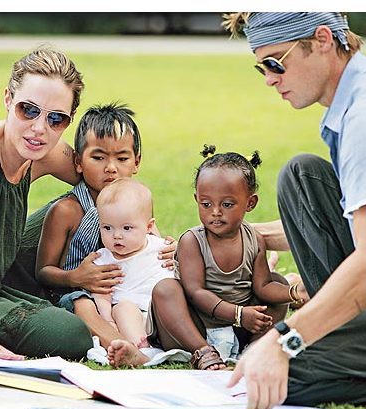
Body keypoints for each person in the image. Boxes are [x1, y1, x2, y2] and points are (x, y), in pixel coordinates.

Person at [220, 12, 366, 409]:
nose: (270, 79)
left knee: (274, 374)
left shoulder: (362, 118)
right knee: (302, 177)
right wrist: (239, 236)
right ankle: (341, 334)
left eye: (275, 63)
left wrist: (285, 341)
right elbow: (352, 222)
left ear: (323, 40)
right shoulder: (353, 99)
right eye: (262, 68)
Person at [0, 47, 93, 359]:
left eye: (56, 118)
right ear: (8, 99)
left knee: (77, 207)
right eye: (28, 110)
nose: (39, 128)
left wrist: (149, 238)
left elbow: (106, 184)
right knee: (71, 334)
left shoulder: (43, 151)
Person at [35, 104, 175, 365]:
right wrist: (76, 277)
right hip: (78, 292)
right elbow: (43, 272)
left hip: (128, 292)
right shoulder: (67, 210)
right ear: (78, 162)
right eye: (98, 158)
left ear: (136, 162)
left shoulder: (136, 202)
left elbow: (149, 242)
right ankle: (123, 347)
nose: (111, 168)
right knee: (83, 303)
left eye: (122, 159)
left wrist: (168, 251)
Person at [174, 145, 308, 361]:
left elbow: (263, 287)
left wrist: (295, 292)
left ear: (250, 203)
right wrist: (237, 314)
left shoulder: (255, 239)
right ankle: (203, 352)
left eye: (227, 204)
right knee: (166, 290)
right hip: (198, 326)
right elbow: (195, 292)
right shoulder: (192, 241)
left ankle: (254, 349)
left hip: (242, 324)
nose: (215, 212)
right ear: (196, 199)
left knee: (278, 281)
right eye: (206, 204)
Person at [93, 178, 175, 350]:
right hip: (132, 316)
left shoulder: (162, 248)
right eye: (107, 228)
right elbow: (102, 294)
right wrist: (108, 320)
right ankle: (140, 346)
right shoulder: (103, 260)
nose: (116, 235)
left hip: (163, 312)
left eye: (127, 228)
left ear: (149, 226)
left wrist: (180, 253)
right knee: (122, 308)